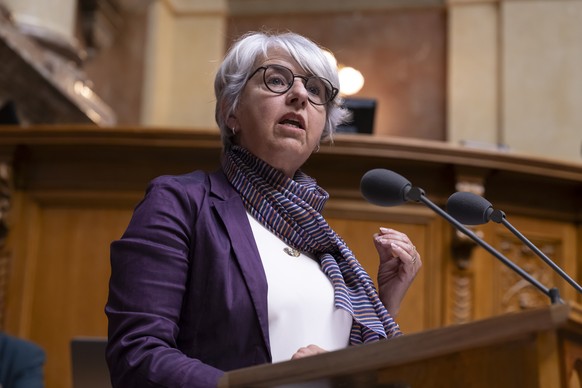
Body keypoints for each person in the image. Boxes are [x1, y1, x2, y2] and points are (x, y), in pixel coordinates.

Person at [105, 30, 422, 388]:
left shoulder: (321, 242)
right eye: (276, 80)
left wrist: (384, 306)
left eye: (316, 90)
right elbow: (136, 355)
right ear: (231, 112)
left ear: (321, 133)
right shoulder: (181, 203)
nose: (301, 94)